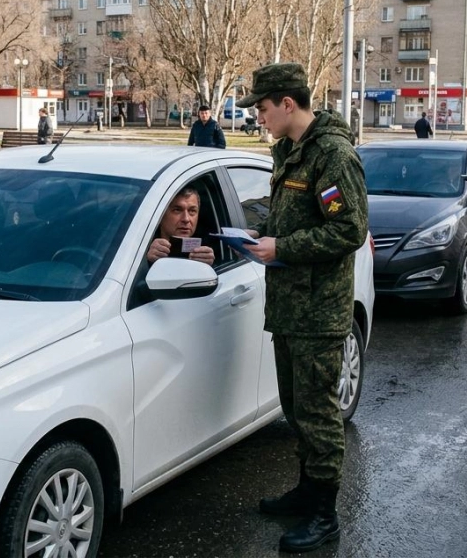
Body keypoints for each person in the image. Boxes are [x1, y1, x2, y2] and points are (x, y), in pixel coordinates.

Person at [235, 62, 368, 554]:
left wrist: (283, 248)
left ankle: (324, 515)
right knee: (295, 409)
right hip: (289, 306)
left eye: (263, 109)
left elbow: (348, 231)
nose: (259, 118)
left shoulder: (332, 155)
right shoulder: (289, 152)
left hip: (318, 310)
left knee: (317, 415)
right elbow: (292, 214)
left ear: (288, 104)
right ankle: (306, 491)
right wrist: (259, 233)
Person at [145, 187, 216, 266]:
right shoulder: (140, 247)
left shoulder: (208, 250)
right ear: (160, 215)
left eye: (192, 211)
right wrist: (146, 262)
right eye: (177, 210)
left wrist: (208, 266)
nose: (186, 219)